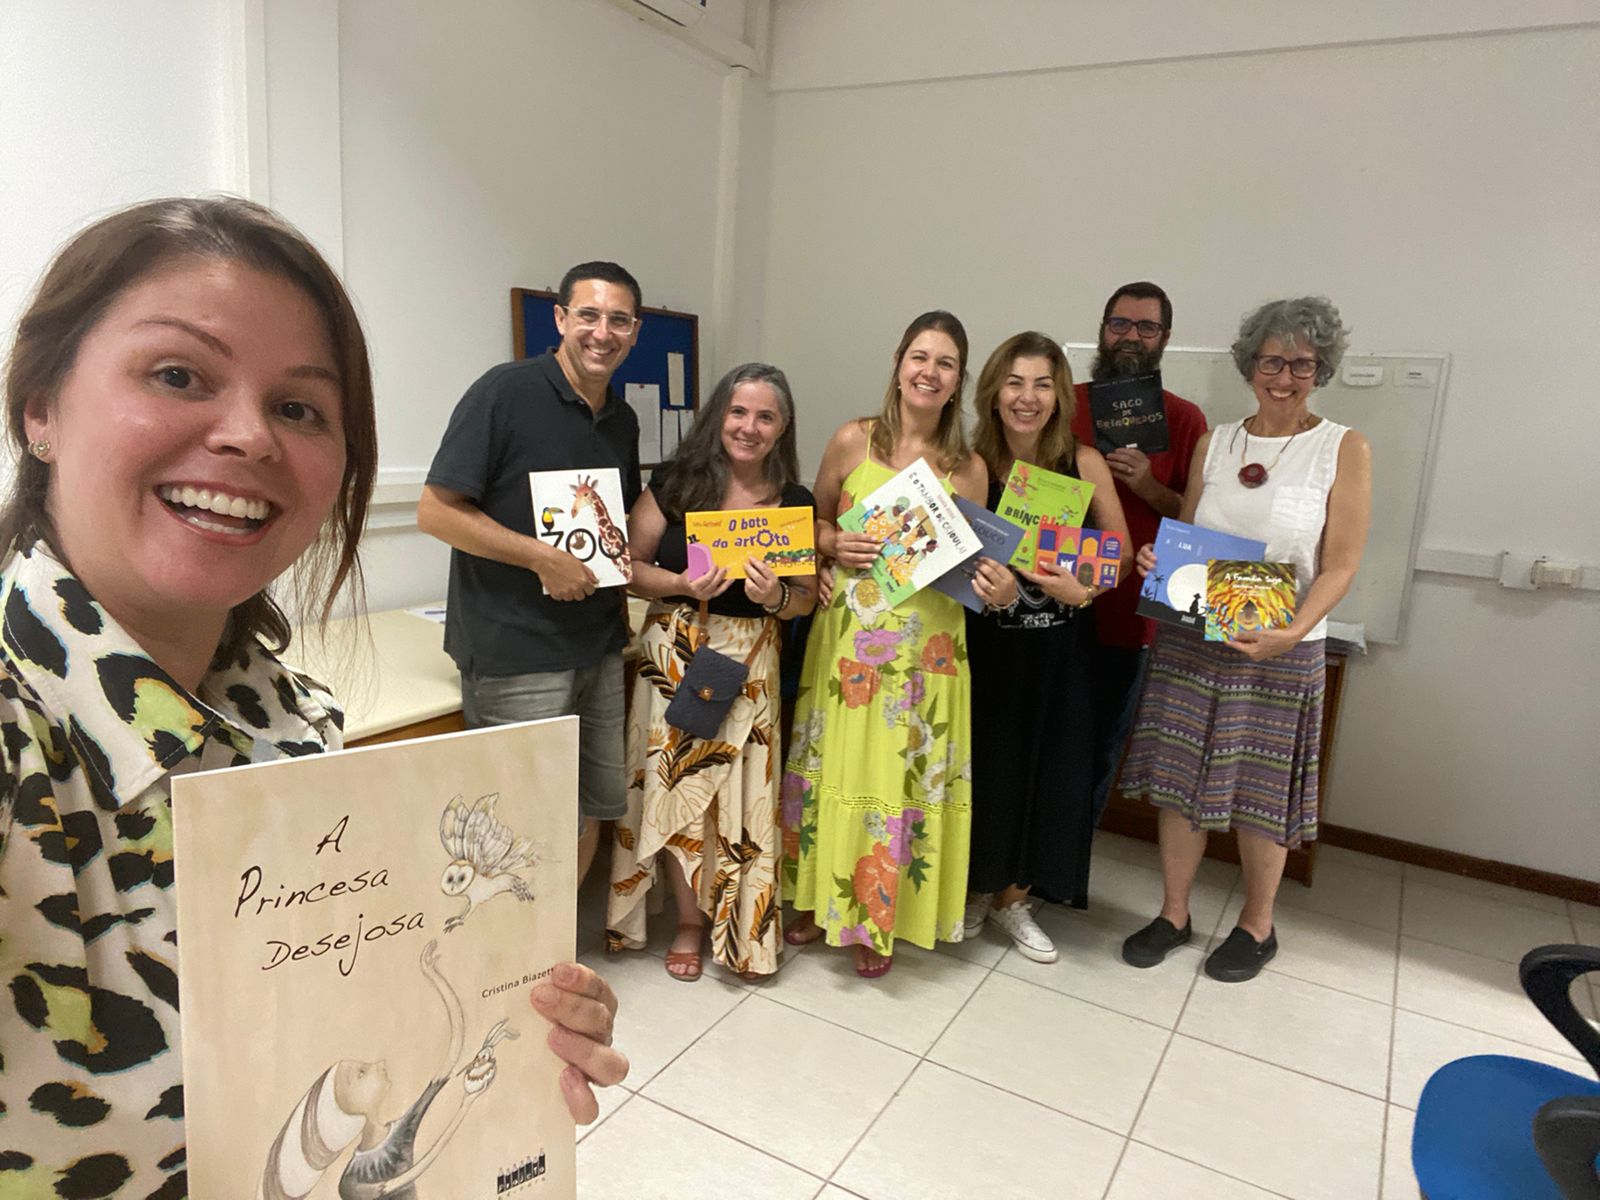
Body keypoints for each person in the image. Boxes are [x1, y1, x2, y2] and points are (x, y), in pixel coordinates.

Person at [0, 198, 629, 1195]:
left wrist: (500, 1028)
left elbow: (334, 1055)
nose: (248, 436)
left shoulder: (291, 719)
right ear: (41, 408)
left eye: (299, 408)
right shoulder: (19, 738)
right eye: (177, 375)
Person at [1118, 296, 1372, 983]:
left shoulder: (1342, 447)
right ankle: (1174, 914)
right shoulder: (1217, 441)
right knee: (1179, 783)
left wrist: (1291, 631)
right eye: (1271, 361)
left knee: (1261, 792)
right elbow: (1192, 530)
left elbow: (1342, 562)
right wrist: (1160, 560)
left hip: (1282, 648)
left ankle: (1258, 926)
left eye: (1301, 364)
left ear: (1321, 369)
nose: (1283, 377)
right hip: (1194, 639)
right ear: (1249, 364)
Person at [781, 311, 1008, 979]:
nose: (929, 372)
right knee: (835, 766)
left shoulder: (968, 468)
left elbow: (976, 568)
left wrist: (998, 585)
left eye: (945, 363)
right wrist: (830, 544)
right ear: (899, 363)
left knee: (894, 775)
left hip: (925, 648)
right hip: (848, 639)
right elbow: (810, 521)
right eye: (920, 357)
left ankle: (873, 918)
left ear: (959, 381)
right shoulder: (853, 439)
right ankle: (814, 896)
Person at [418, 262, 644, 886]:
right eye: (589, 315)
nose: (602, 332)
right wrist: (541, 558)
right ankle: (518, 945)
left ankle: (558, 937)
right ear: (561, 319)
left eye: (619, 320)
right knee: (518, 823)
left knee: (590, 806)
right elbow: (435, 511)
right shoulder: (504, 392)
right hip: (516, 651)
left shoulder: (622, 419)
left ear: (634, 332)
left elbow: (611, 525)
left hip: (597, 646)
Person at [607, 363, 816, 980]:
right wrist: (679, 581)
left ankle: (742, 926)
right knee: (677, 793)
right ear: (719, 415)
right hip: (676, 650)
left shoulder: (794, 501)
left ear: (783, 428)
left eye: (765, 417)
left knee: (740, 796)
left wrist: (777, 595)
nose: (749, 427)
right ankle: (690, 923)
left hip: (751, 660)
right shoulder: (676, 482)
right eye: (738, 412)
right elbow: (628, 565)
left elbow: (805, 599)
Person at [964, 333, 1129, 962]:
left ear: (1059, 395)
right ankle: (979, 885)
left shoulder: (1082, 463)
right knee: (988, 767)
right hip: (984, 646)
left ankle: (1015, 898)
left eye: (1041, 384)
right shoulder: (971, 462)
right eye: (1014, 382)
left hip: (1060, 650)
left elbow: (1117, 554)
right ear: (993, 392)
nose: (1027, 397)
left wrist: (1082, 591)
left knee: (1048, 772)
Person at [1069, 282, 1208, 823]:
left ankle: (1072, 858)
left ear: (1165, 338)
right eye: (1120, 324)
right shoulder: (1062, 403)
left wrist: (1149, 487)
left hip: (1131, 614)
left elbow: (1196, 524)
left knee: (1101, 747)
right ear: (1103, 331)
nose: (1131, 336)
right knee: (1043, 735)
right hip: (1055, 598)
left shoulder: (1186, 419)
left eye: (1146, 327)